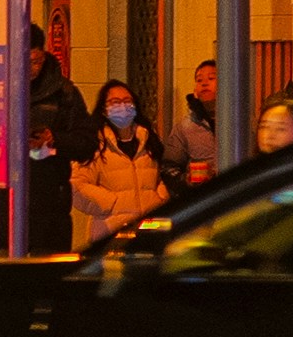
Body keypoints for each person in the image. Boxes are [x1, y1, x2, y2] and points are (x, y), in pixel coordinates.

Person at [22, 25, 95, 255]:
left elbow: (86, 142)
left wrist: (54, 140)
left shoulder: (64, 92)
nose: (31, 68)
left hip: (49, 208)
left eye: (35, 61)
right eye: (24, 61)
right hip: (2, 209)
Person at [73, 80, 168, 247]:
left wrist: (160, 198)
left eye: (127, 101)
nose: (122, 107)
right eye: (115, 102)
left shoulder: (148, 139)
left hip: (150, 231)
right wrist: (110, 203)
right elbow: (77, 184)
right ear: (104, 109)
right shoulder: (95, 143)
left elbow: (162, 175)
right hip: (111, 233)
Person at [160, 59, 220, 188]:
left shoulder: (239, 121)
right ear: (195, 89)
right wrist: (186, 180)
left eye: (211, 78)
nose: (204, 83)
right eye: (199, 80)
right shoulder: (185, 127)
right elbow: (168, 167)